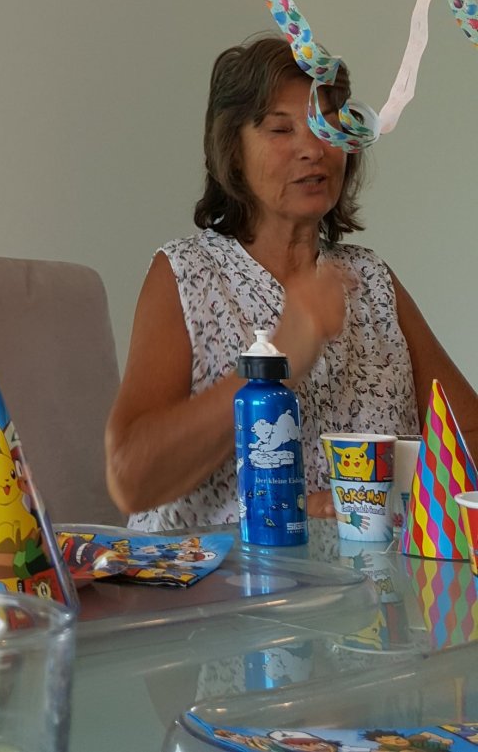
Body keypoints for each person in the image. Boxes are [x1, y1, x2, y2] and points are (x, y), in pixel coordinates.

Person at [105, 36, 478, 530]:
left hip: (367, 574)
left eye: (329, 126)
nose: (313, 149)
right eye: (281, 129)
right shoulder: (188, 271)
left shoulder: (371, 278)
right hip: (216, 576)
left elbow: (467, 438)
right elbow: (131, 480)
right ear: (233, 152)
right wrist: (281, 357)